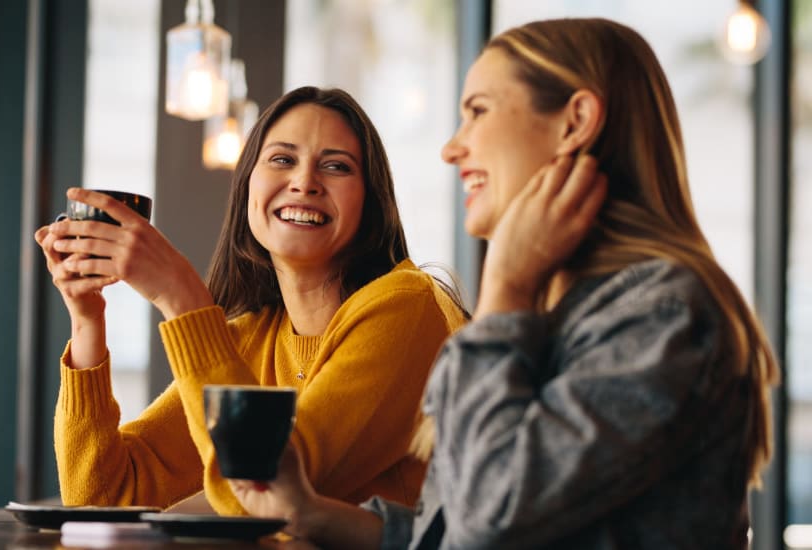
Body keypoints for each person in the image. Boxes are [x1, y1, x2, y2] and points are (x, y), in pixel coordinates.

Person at [227, 18, 780, 549]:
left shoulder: (660, 314)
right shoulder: (566, 312)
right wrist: (312, 514)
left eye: (478, 112)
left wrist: (505, 290)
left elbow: (493, 521)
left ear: (574, 122)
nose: (452, 148)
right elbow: (459, 531)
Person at [34, 86, 469, 515]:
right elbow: (102, 498)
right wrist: (87, 319)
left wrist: (180, 295)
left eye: (336, 167)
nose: (304, 182)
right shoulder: (251, 339)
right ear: (247, 189)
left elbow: (268, 490)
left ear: (370, 202)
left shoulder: (405, 307)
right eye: (282, 159)